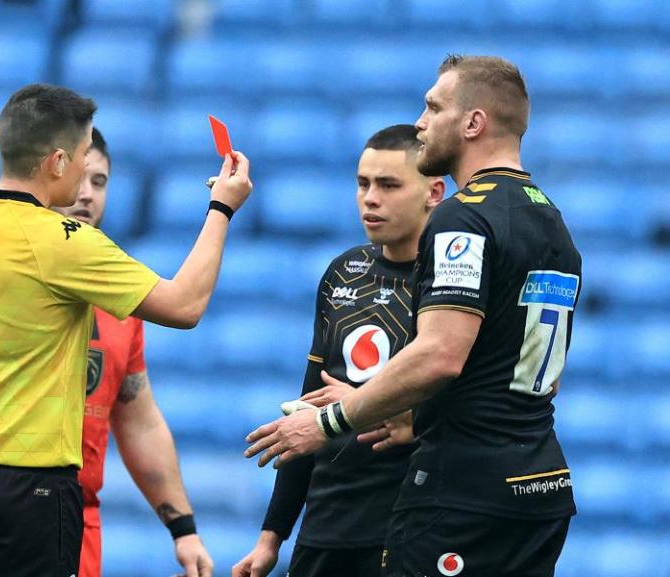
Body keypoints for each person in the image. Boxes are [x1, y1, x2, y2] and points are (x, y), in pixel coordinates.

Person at [0, 84, 252, 577]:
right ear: (58, 161)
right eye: (84, 157)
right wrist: (222, 208)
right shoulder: (66, 242)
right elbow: (185, 305)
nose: (85, 173)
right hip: (30, 493)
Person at [244, 54, 582, 577]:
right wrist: (412, 417)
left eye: (432, 106)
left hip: (465, 492)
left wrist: (332, 419)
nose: (421, 122)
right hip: (539, 485)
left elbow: (441, 354)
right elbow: (533, 374)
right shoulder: (550, 221)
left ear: (473, 123)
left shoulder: (464, 215)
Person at [232, 125, 444, 577]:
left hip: (406, 525)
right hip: (325, 527)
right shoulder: (343, 273)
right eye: (363, 183)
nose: (370, 198)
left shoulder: (451, 287)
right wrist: (272, 536)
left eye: (389, 185)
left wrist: (405, 418)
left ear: (434, 192)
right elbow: (306, 406)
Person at [56, 128, 214, 577]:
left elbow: (138, 419)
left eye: (100, 182)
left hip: (76, 520)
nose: (86, 195)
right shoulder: (0, 268)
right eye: (77, 178)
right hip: (3, 507)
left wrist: (183, 528)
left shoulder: (120, 297)